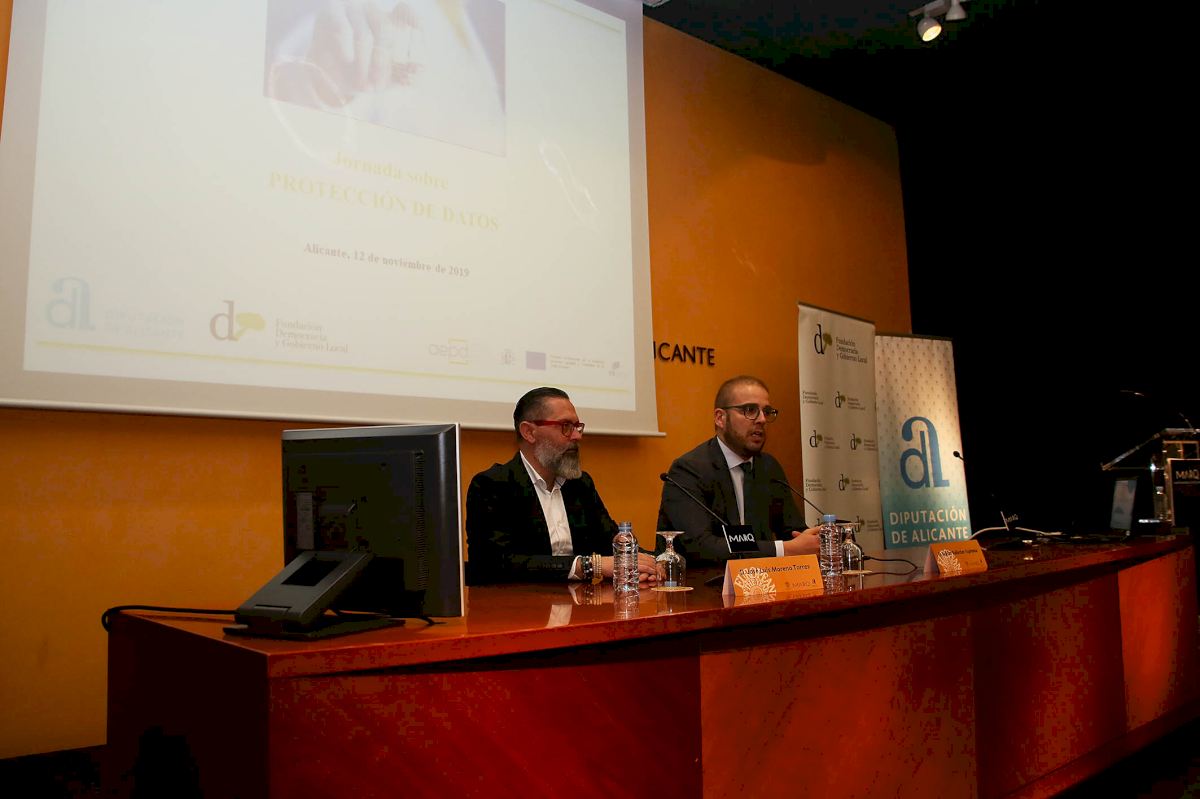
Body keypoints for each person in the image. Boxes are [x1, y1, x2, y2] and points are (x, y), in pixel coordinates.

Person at [466, 387, 660, 585]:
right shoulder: (492, 485)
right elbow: (495, 562)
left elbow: (609, 542)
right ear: (529, 432)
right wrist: (589, 566)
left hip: (579, 601)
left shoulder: (580, 484)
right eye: (566, 426)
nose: (577, 436)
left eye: (577, 427)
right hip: (518, 601)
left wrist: (649, 564)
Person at [657, 375, 820, 564]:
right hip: (704, 579)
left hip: (761, 578)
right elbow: (700, 546)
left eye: (766, 411)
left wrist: (814, 540)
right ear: (720, 418)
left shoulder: (768, 467)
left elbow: (793, 532)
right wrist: (784, 549)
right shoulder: (689, 471)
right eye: (750, 410)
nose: (762, 419)